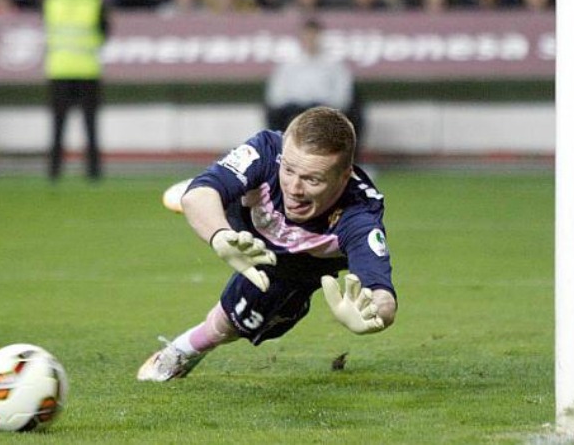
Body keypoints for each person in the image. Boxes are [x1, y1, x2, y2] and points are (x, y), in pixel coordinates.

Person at [138, 107, 397, 382]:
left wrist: (368, 317)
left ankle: (184, 347)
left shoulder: (359, 215)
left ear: (344, 177)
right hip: (242, 222)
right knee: (204, 194)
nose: (294, 189)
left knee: (231, 324)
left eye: (312, 179)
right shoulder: (266, 150)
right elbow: (198, 198)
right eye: (289, 170)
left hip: (290, 266)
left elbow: (382, 297)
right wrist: (218, 235)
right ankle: (218, 192)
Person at [264, 18, 363, 158]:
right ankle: (279, 158)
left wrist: (322, 110)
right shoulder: (287, 65)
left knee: (353, 111)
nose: (310, 40)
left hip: (326, 111)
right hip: (293, 111)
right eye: (307, 36)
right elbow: (276, 97)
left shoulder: (335, 65)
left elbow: (343, 97)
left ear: (321, 37)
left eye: (314, 36)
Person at [43, 0, 109, 181]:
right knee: (90, 125)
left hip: (59, 69)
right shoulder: (94, 2)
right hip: (87, 69)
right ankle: (93, 171)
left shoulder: (52, 2)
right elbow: (104, 32)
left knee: (58, 125)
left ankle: (54, 171)